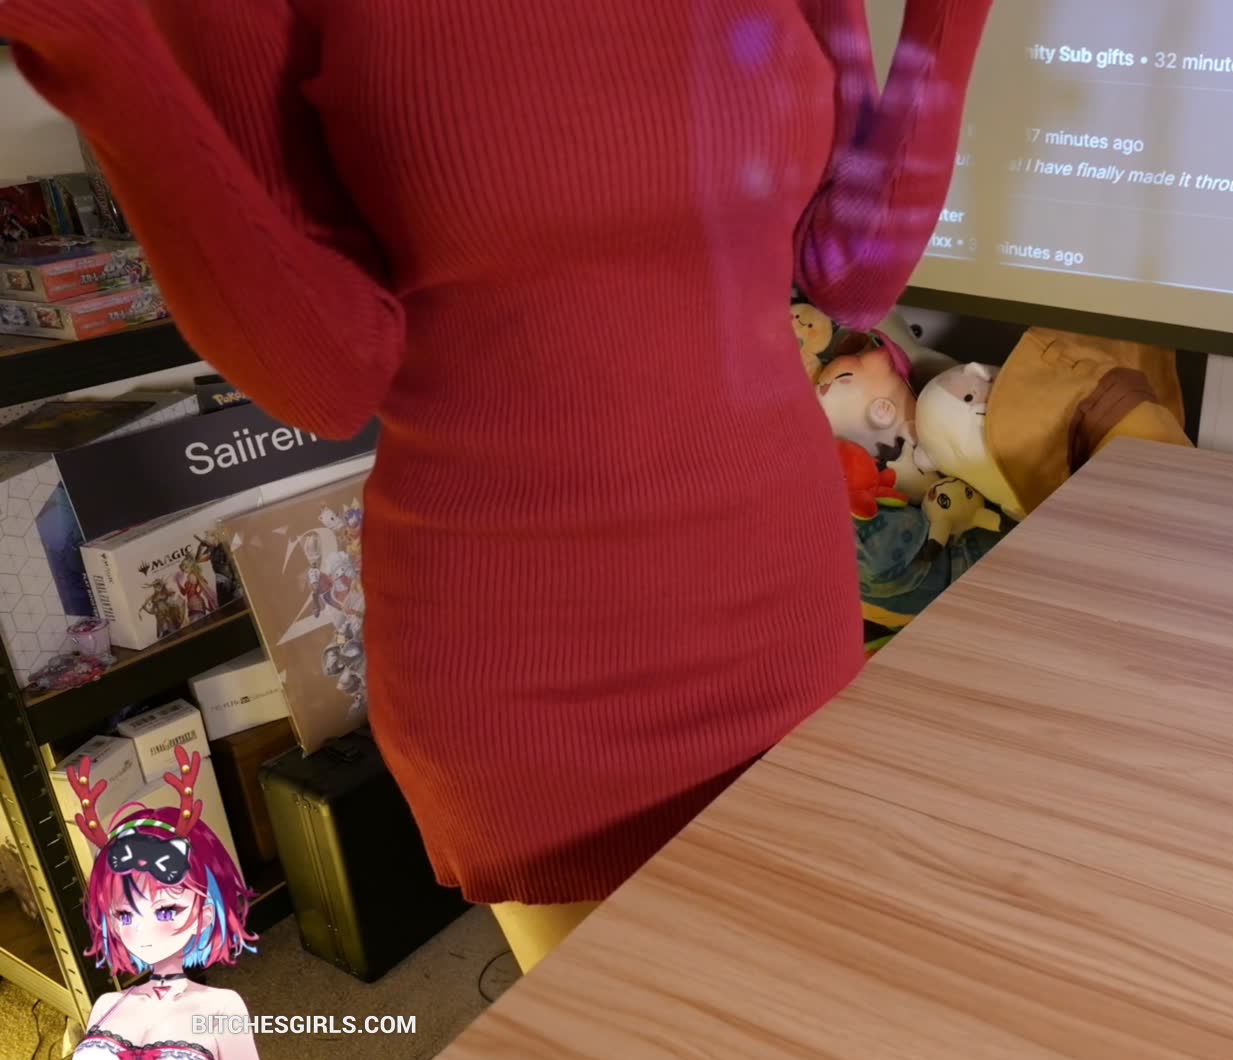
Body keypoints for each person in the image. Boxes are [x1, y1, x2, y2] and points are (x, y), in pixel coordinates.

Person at [1, 0, 994, 972]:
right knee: (624, 1034)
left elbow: (851, 268)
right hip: (527, 661)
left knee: (822, 1003)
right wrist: (93, 46)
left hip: (782, 605)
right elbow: (327, 378)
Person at [65, 748, 262, 1060]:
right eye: (124, 914)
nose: (143, 931)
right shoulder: (105, 1005)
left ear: (205, 915)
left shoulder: (224, 1008)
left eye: (166, 912)